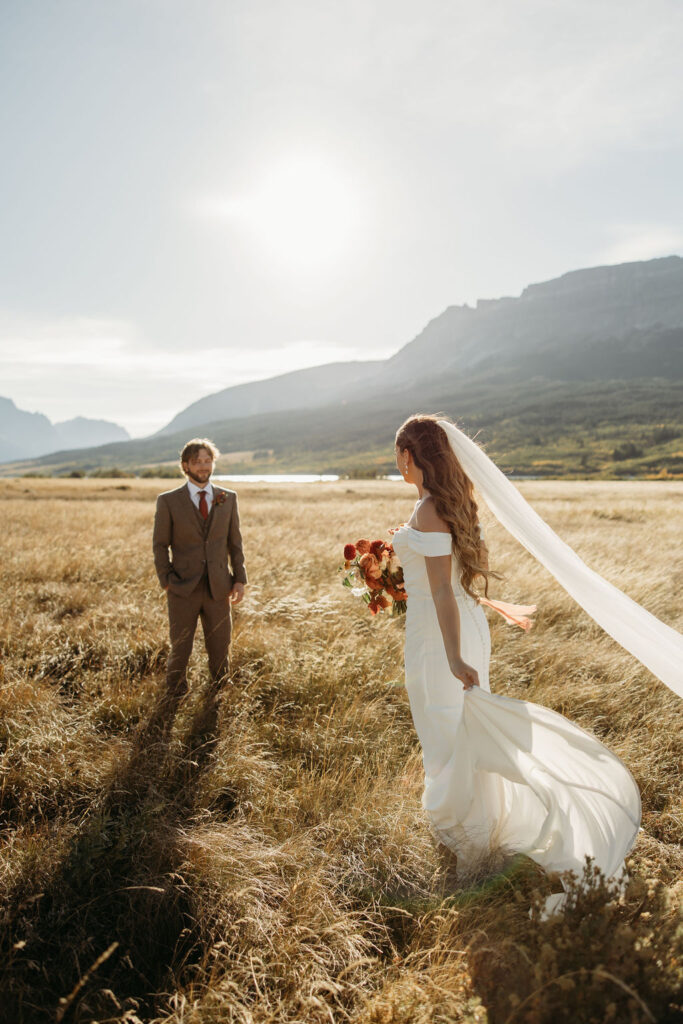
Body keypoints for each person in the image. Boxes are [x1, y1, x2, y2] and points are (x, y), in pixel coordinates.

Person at [390, 414, 658, 915]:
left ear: (412, 456)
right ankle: (481, 832)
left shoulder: (428, 510)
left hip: (439, 636)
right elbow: (456, 575)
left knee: (447, 733)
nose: (398, 463)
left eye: (398, 455)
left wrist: (452, 656)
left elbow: (443, 589)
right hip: (465, 625)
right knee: (459, 727)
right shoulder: (455, 505)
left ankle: (473, 843)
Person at [152, 438, 247, 724]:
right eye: (197, 461)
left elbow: (235, 543)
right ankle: (173, 698)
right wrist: (166, 579)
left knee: (220, 645)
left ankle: (217, 696)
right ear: (185, 466)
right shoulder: (168, 501)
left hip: (220, 587)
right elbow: (160, 545)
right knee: (180, 646)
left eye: (208, 461)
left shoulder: (227, 498)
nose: (204, 466)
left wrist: (239, 579)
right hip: (182, 587)